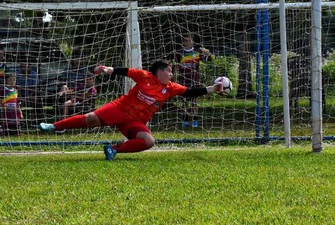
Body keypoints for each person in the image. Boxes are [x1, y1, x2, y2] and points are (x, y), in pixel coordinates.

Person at [40, 61, 223, 160]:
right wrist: (108, 69)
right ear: (159, 72)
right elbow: (125, 71)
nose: (172, 74)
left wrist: (213, 89)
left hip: (134, 121)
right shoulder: (145, 76)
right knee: (89, 119)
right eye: (169, 71)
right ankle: (54, 126)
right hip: (120, 108)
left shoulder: (171, 87)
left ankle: (113, 150)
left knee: (149, 141)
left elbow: (190, 92)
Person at [174, 34, 213, 127]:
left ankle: (195, 120)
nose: (188, 42)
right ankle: (185, 119)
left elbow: (208, 59)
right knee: (184, 100)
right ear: (183, 42)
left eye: (189, 40)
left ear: (192, 42)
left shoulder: (198, 51)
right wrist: (174, 78)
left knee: (194, 100)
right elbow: (176, 66)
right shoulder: (179, 52)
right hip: (183, 79)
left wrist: (208, 53)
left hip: (194, 79)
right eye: (186, 41)